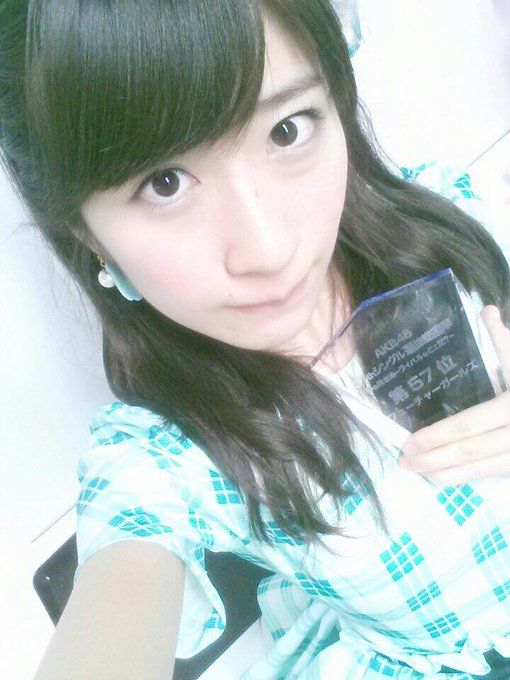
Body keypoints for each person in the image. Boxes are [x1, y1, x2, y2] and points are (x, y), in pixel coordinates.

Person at [1, 1, 509, 678]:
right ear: (86, 233)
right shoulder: (168, 449)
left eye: (286, 129)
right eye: (164, 182)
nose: (268, 249)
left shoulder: (459, 217)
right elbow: (121, 579)